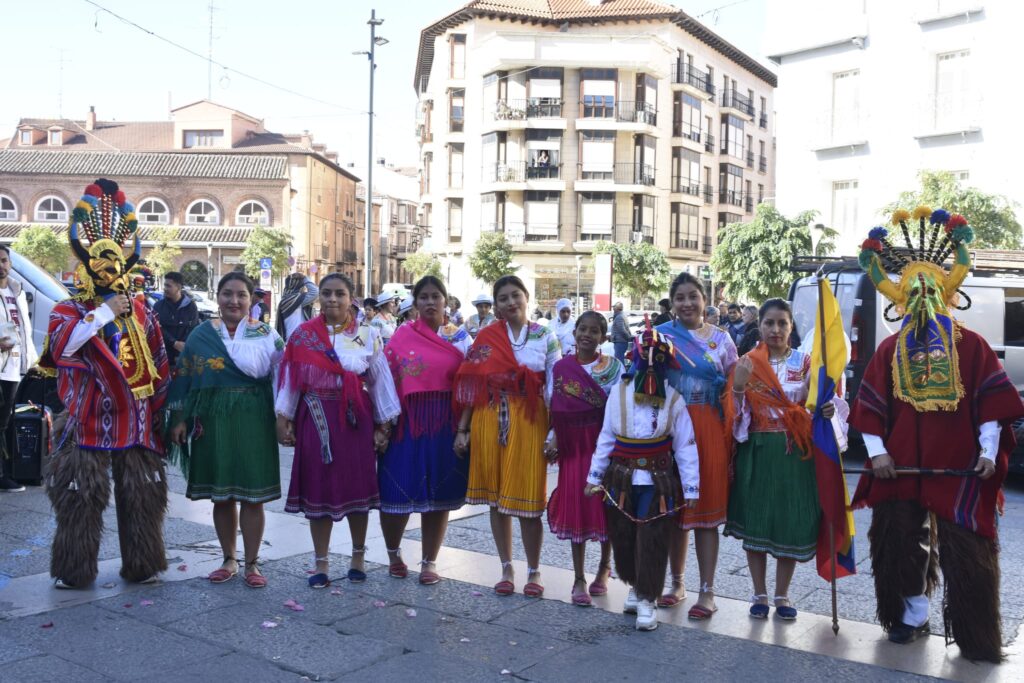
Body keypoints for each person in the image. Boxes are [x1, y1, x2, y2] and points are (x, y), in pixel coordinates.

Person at [848, 212, 1024, 661]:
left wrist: (988, 451)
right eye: (913, 290)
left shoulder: (972, 346)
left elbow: (990, 402)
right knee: (902, 544)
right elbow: (870, 406)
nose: (922, 296)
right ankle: (912, 615)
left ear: (947, 293)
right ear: (901, 298)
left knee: (968, 550)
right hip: (900, 467)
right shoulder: (889, 349)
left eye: (931, 288)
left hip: (960, 466)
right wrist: (878, 453)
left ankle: (974, 632)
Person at [40, 178, 170, 588]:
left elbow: (159, 361)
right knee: (79, 494)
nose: (110, 269)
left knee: (142, 494)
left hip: (135, 416)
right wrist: (103, 313)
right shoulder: (68, 309)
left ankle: (143, 562)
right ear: (87, 264)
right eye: (101, 261)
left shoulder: (142, 311)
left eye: (116, 261)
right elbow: (63, 348)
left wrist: (164, 410)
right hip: (87, 415)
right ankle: (74, 569)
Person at [276, 273, 400, 588]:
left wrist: (384, 424)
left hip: (355, 418)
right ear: (319, 297)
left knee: (357, 487)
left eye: (340, 294)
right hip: (316, 417)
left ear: (350, 298)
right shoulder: (303, 335)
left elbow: (380, 379)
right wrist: (283, 417)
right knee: (318, 488)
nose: (332, 299)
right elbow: (291, 379)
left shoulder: (367, 334)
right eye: (327, 293)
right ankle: (321, 562)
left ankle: (358, 556)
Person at [724, 298, 844, 621]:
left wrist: (826, 408)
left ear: (791, 327)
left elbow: (823, 406)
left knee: (789, 520)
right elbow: (735, 418)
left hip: (795, 454)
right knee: (757, 520)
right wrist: (738, 388)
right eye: (769, 323)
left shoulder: (807, 363)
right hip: (758, 450)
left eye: (782, 323)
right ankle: (759, 592)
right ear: (759, 325)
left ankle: (782, 593)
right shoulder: (747, 363)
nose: (775, 329)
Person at [168, 272, 284, 588]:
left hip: (254, 417)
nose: (234, 301)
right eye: (227, 294)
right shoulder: (200, 335)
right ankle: (229, 558)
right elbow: (185, 378)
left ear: (251, 299)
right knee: (222, 495)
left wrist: (284, 417)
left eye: (241, 295)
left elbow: (284, 376)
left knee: (253, 495)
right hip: (212, 419)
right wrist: (180, 418)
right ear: (217, 297)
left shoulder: (266, 334)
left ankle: (252, 563)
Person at [584, 324, 699, 631]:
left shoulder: (673, 399)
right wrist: (595, 476)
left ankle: (648, 598)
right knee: (622, 534)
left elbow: (685, 445)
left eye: (656, 359)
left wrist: (691, 487)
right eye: (643, 357)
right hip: (620, 477)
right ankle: (635, 587)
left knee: (653, 536)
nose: (649, 366)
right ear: (634, 358)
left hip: (657, 480)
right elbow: (606, 436)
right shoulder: (617, 394)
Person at [453, 275, 560, 597]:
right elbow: (473, 383)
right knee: (497, 501)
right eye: (503, 298)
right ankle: (506, 568)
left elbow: (554, 386)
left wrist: (555, 430)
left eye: (516, 295)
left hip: (531, 419)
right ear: (497, 306)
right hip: (489, 417)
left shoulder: (545, 336)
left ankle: (534, 570)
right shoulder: (487, 336)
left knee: (530, 499)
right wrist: (463, 429)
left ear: (527, 297)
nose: (511, 302)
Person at [378, 276, 472, 584]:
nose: (430, 302)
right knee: (396, 490)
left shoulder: (460, 339)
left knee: (439, 493)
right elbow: (386, 382)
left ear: (446, 301)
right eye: (424, 297)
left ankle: (429, 561)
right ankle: (393, 553)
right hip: (406, 423)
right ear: (415, 303)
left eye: (436, 296)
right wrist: (383, 425)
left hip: (446, 424)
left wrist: (464, 429)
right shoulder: (401, 336)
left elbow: (472, 383)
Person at [657, 273, 738, 618]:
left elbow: (735, 389)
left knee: (705, 515)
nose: (687, 303)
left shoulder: (722, 340)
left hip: (709, 427)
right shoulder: (660, 337)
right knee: (674, 510)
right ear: (672, 303)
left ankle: (707, 590)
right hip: (669, 427)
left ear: (705, 300)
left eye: (693, 296)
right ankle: (676, 583)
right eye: (680, 297)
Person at [544, 311, 620, 605]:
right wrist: (554, 437)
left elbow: (618, 409)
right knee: (576, 506)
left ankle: (604, 568)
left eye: (594, 331)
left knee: (604, 508)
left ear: (603, 337)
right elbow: (556, 408)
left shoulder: (613, 368)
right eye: (583, 329)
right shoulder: (561, 367)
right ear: (574, 332)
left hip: (602, 445)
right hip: (572, 448)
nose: (587, 335)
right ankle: (578, 578)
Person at [0, 245, 38, 492]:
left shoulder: (18, 291)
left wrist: (31, 360)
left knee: (5, 422)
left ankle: (5, 472)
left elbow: (24, 328)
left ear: (10, 263)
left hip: (13, 365)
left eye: (4, 260)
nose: (1, 265)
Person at [153, 271, 199, 368]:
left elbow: (193, 328)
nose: (165, 288)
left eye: (168, 286)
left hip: (184, 356)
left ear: (178, 287)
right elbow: (156, 328)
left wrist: (183, 346)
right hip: (163, 357)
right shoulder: (158, 306)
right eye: (165, 285)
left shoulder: (191, 306)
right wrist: (174, 343)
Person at [277, 273, 319, 341]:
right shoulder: (297, 301)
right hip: (298, 340)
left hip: (290, 340)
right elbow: (315, 292)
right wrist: (305, 278)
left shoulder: (285, 300)